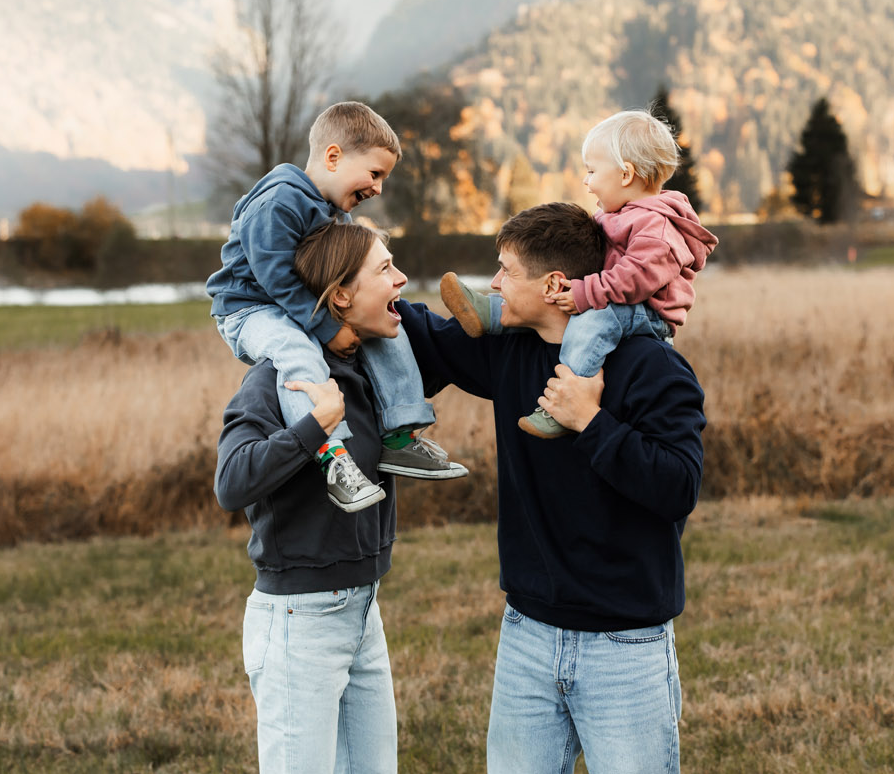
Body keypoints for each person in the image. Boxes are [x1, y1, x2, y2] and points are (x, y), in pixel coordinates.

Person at [397, 202, 707, 774]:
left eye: (506, 271)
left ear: (555, 285)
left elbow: (678, 486)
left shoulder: (650, 367)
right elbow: (417, 335)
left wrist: (591, 423)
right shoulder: (507, 349)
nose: (492, 284)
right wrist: (347, 266)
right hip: (527, 633)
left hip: (625, 645)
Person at [215, 222, 413, 773]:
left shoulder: (370, 369)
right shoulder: (280, 379)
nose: (401, 278)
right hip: (299, 620)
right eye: (385, 269)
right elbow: (231, 482)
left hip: (363, 610)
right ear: (342, 295)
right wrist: (314, 428)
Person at [206, 100, 467, 513]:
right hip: (250, 309)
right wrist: (329, 328)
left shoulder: (335, 215)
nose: (378, 188)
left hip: (297, 303)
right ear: (333, 157)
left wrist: (359, 319)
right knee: (295, 351)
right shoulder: (279, 201)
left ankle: (400, 436)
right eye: (374, 173)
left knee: (385, 334)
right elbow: (277, 279)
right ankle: (333, 458)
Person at [441, 110, 717, 438]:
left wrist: (586, 292)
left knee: (592, 320)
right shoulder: (619, 214)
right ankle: (493, 311)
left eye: (592, 171)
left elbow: (635, 277)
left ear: (626, 175)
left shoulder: (655, 226)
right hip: (618, 297)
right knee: (556, 299)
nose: (586, 182)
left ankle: (565, 398)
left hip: (648, 311)